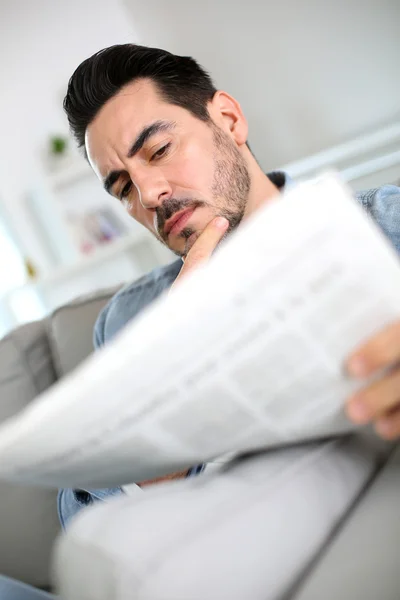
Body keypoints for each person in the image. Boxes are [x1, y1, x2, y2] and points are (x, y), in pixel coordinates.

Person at [1, 43, 400, 598]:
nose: (148, 195)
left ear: (229, 120)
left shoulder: (388, 224)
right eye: (122, 188)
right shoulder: (127, 319)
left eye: (159, 150)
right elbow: (86, 524)